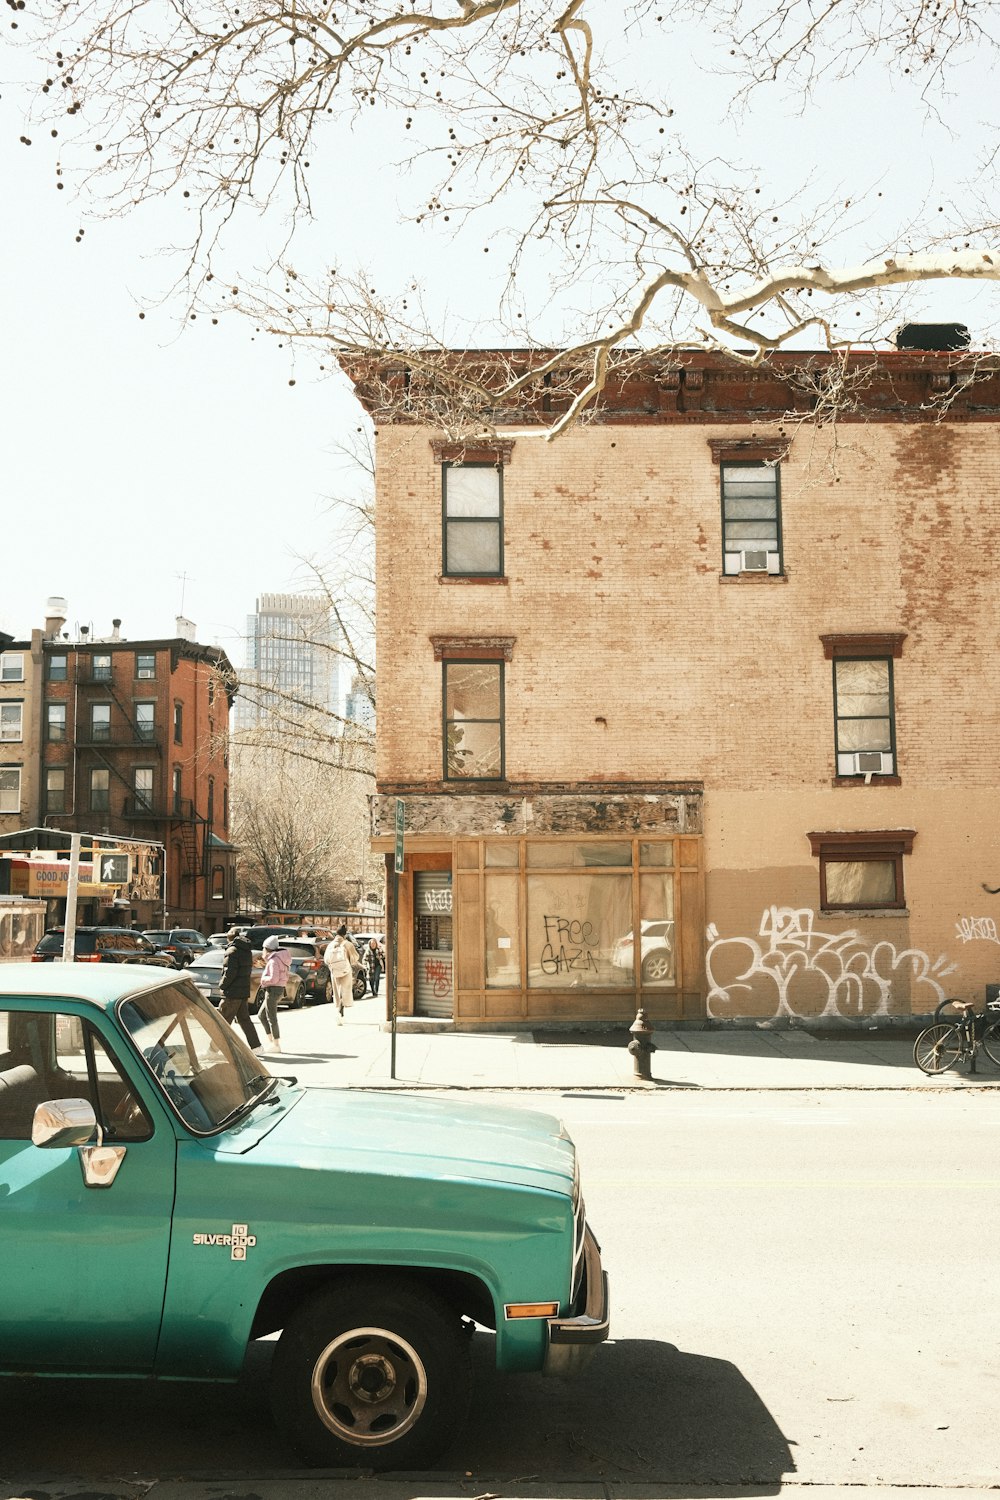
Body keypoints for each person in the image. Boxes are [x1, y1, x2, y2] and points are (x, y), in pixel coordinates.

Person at [219, 926, 262, 1052]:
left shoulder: (232, 951)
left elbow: (229, 973)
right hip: (242, 992)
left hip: (232, 993)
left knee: (222, 1021)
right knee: (244, 1020)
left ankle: (213, 1049)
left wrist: (222, 985)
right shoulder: (246, 951)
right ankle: (257, 1047)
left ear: (229, 939)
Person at [258, 934, 290, 1053]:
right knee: (261, 1015)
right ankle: (271, 1041)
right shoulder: (279, 958)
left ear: (267, 949)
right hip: (278, 989)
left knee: (272, 1017)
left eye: (263, 948)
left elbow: (273, 978)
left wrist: (263, 980)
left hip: (273, 989)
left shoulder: (273, 961)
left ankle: (276, 1044)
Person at [324, 924, 360, 1022]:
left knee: (337, 991)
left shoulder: (331, 945)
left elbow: (326, 960)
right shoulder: (347, 944)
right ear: (345, 934)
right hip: (345, 970)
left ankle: (339, 1011)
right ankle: (341, 1012)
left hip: (334, 970)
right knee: (345, 990)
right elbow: (355, 957)